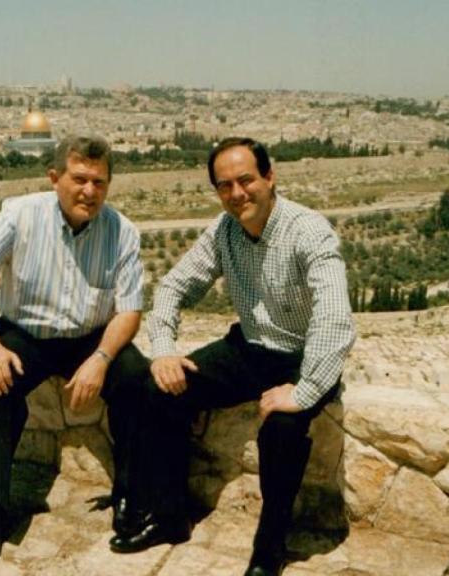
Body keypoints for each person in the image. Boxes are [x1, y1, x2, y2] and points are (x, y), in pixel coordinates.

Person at [110, 137, 355, 576]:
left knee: (281, 429)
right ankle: (171, 518)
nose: (237, 193)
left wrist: (305, 390)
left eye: (246, 180)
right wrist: (164, 351)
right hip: (250, 347)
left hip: (301, 356)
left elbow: (334, 317)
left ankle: (269, 551)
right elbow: (172, 287)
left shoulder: (309, 231)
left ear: (269, 177)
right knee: (158, 387)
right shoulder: (224, 231)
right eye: (225, 186)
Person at [0, 135, 149, 567]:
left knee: (136, 380)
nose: (89, 192)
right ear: (55, 178)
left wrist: (100, 359)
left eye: (99, 182)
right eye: (79, 179)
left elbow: (130, 310)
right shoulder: (20, 214)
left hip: (90, 337)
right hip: (28, 334)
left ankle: (131, 495)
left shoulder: (122, 231)